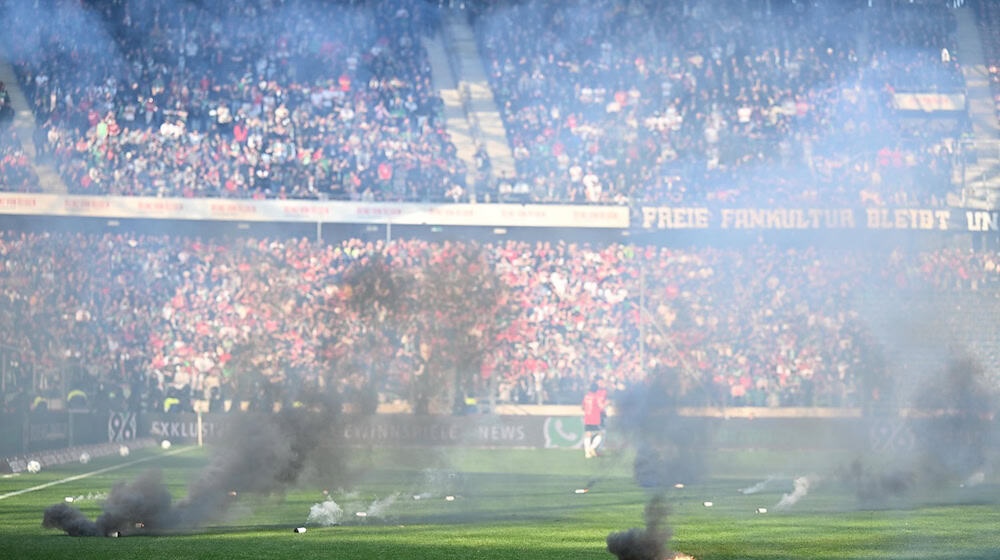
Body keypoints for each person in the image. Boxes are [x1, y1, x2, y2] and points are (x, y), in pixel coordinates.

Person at [582, 380, 607, 459]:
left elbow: (583, 407)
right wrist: (607, 404)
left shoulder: (586, 396)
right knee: (600, 434)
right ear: (596, 390)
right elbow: (601, 407)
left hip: (587, 417)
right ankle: (592, 448)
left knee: (587, 435)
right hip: (595, 418)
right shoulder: (596, 397)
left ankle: (587, 454)